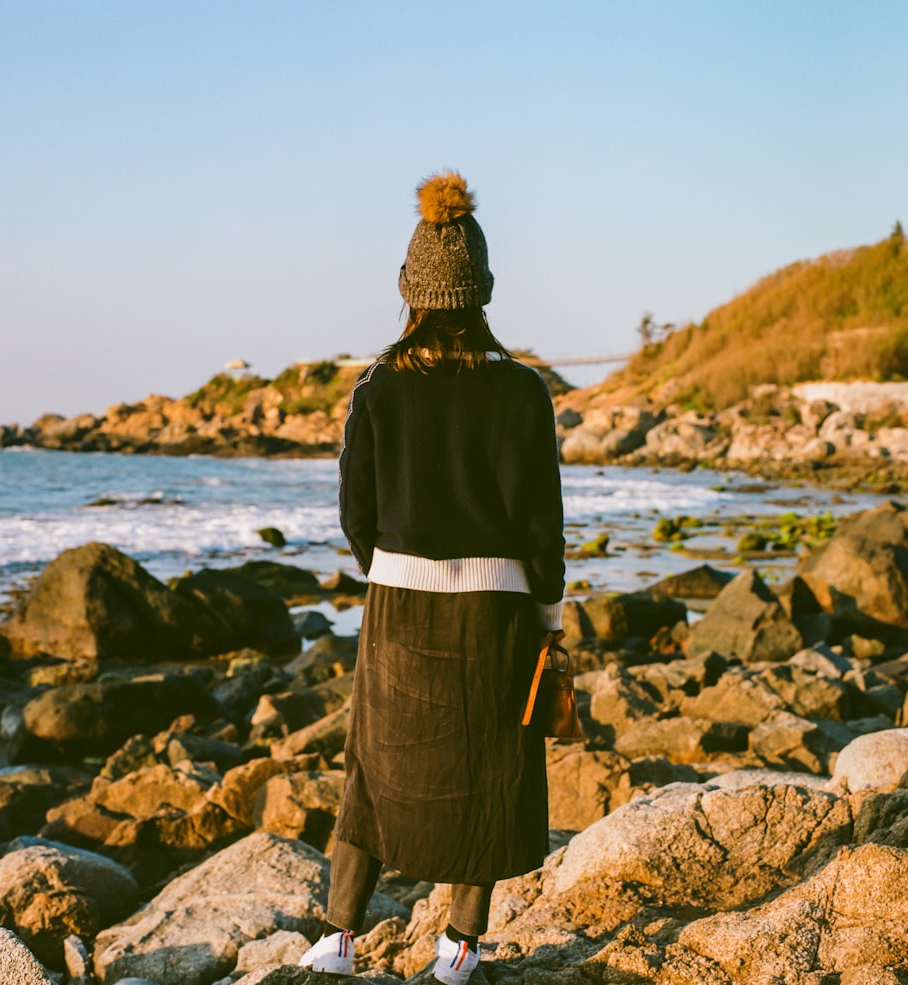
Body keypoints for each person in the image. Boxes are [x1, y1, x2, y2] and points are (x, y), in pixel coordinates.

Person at [299, 171, 565, 983]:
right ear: (483, 288)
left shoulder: (379, 385)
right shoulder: (524, 391)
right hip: (499, 608)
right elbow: (541, 522)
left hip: (400, 603)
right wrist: (550, 619)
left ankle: (340, 938)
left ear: (408, 288)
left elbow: (356, 510)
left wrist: (389, 567)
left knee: (372, 766)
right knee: (487, 768)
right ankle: (458, 948)